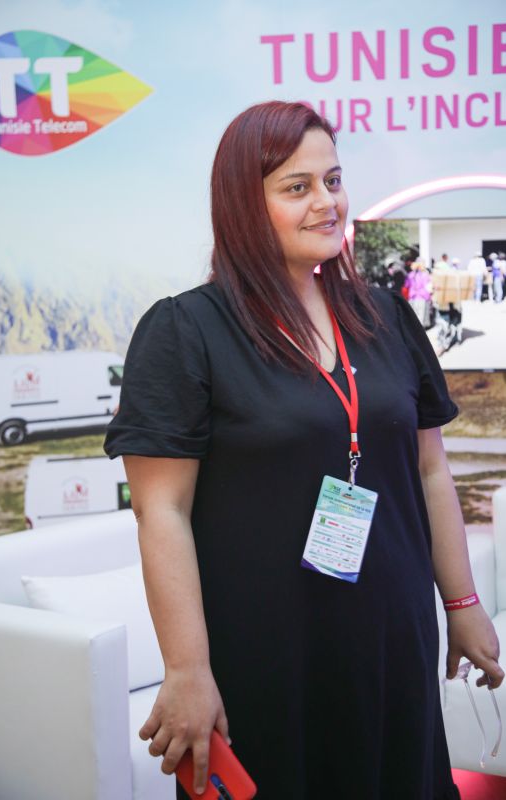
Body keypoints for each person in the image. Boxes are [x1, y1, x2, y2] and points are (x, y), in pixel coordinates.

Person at [104, 101, 503, 800]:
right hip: (266, 649)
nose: (327, 202)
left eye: (333, 180)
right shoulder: (186, 331)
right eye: (297, 187)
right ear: (242, 205)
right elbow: (161, 512)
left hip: (393, 633)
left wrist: (462, 602)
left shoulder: (383, 315)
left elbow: (429, 468)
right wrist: (187, 670)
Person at [404, 258, 433, 326]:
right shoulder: (425, 275)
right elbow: (428, 287)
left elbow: (406, 285)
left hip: (412, 297)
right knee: (420, 318)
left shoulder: (410, 274)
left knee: (413, 317)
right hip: (422, 297)